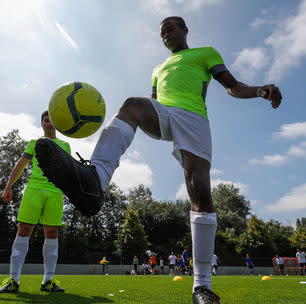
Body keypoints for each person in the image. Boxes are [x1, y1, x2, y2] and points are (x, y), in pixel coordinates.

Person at [34, 16, 281, 304]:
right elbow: (153, 101)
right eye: (162, 33)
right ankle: (95, 182)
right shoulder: (157, 69)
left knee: (199, 191)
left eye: (170, 29)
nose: (165, 35)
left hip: (193, 119)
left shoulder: (206, 53)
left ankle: (202, 286)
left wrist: (260, 91)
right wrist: (152, 115)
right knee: (132, 105)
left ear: (185, 30)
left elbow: (233, 86)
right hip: (164, 113)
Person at [0, 111, 70, 294]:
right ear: (41, 124)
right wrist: (8, 186)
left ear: (56, 123)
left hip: (55, 192)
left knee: (52, 232)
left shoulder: (65, 145)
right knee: (24, 229)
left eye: (51, 119)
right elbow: (20, 165)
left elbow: (68, 172)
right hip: (33, 189)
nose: (48, 122)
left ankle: (48, 281)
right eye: (45, 120)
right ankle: (13, 281)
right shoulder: (34, 143)